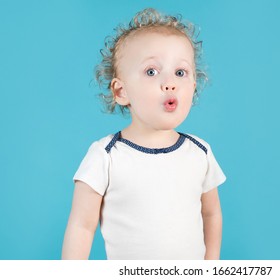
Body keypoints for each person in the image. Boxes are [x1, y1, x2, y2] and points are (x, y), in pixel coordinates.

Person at [62, 8, 226, 260]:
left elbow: (211, 214)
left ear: (193, 88)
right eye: (152, 71)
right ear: (120, 91)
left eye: (180, 72)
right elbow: (82, 226)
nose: (170, 82)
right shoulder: (105, 156)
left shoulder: (200, 152)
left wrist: (211, 266)